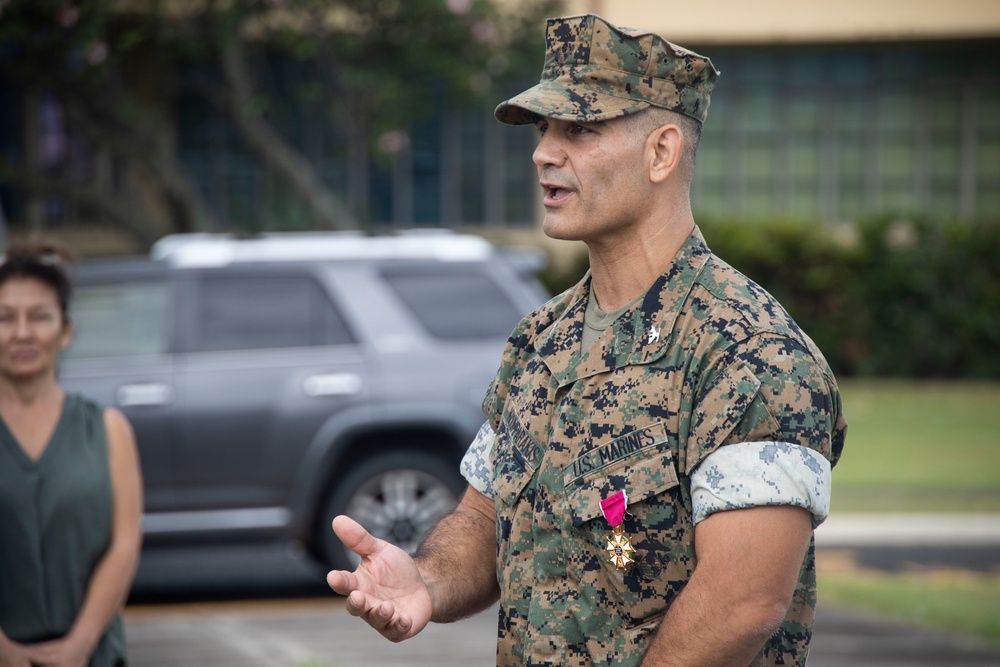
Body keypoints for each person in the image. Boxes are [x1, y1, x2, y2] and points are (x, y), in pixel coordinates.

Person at [327, 13, 847, 667]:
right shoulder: (540, 343)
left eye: (580, 129)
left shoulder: (748, 352)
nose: (545, 151)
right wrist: (425, 578)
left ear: (661, 152)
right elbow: (484, 523)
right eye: (545, 129)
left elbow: (742, 603)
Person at [0, 241, 143, 667]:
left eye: (40, 316)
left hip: (93, 656)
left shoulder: (107, 429)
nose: (22, 332)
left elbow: (124, 544)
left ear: (65, 330)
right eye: (6, 317)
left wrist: (78, 646)